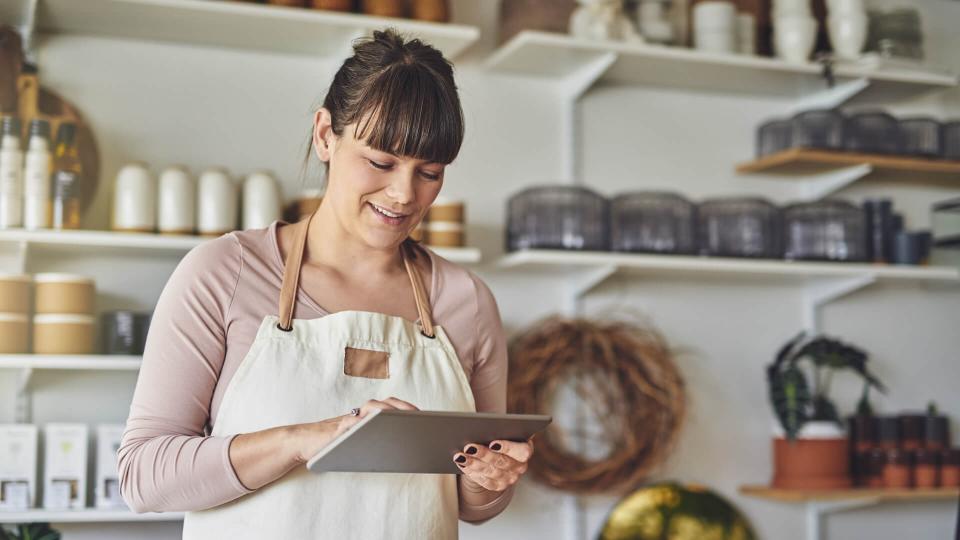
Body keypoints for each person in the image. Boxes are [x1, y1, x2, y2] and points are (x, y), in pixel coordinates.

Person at [118, 29, 532, 539]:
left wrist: (489, 480)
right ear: (324, 135)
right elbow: (143, 476)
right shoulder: (225, 273)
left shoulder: (466, 301)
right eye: (381, 162)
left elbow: (473, 504)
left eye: (429, 171)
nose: (404, 194)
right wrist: (307, 439)